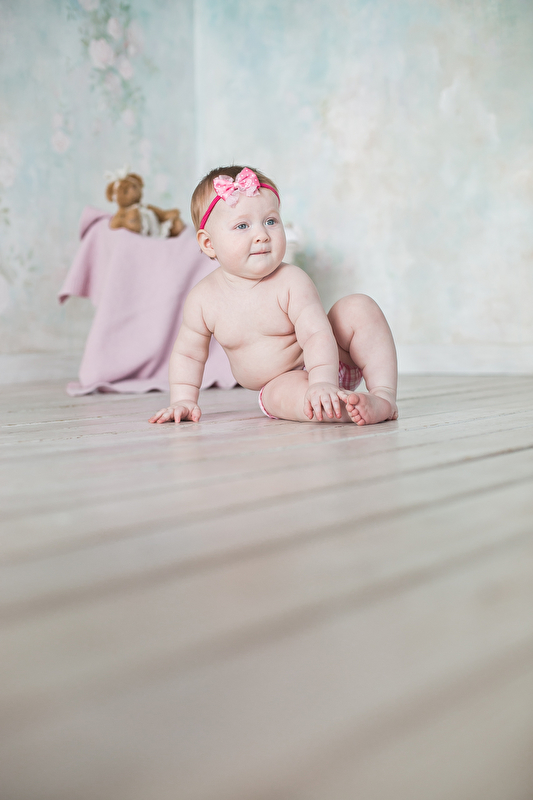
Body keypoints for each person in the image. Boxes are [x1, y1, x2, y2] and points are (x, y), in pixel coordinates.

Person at [149, 165, 398, 426]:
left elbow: (316, 334)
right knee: (278, 396)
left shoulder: (291, 281)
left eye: (270, 221)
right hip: (282, 381)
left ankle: (383, 396)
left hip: (332, 359)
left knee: (358, 306)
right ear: (208, 243)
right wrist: (183, 400)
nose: (262, 235)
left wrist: (323, 382)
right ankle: (352, 409)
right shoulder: (203, 299)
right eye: (242, 225)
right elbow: (188, 354)